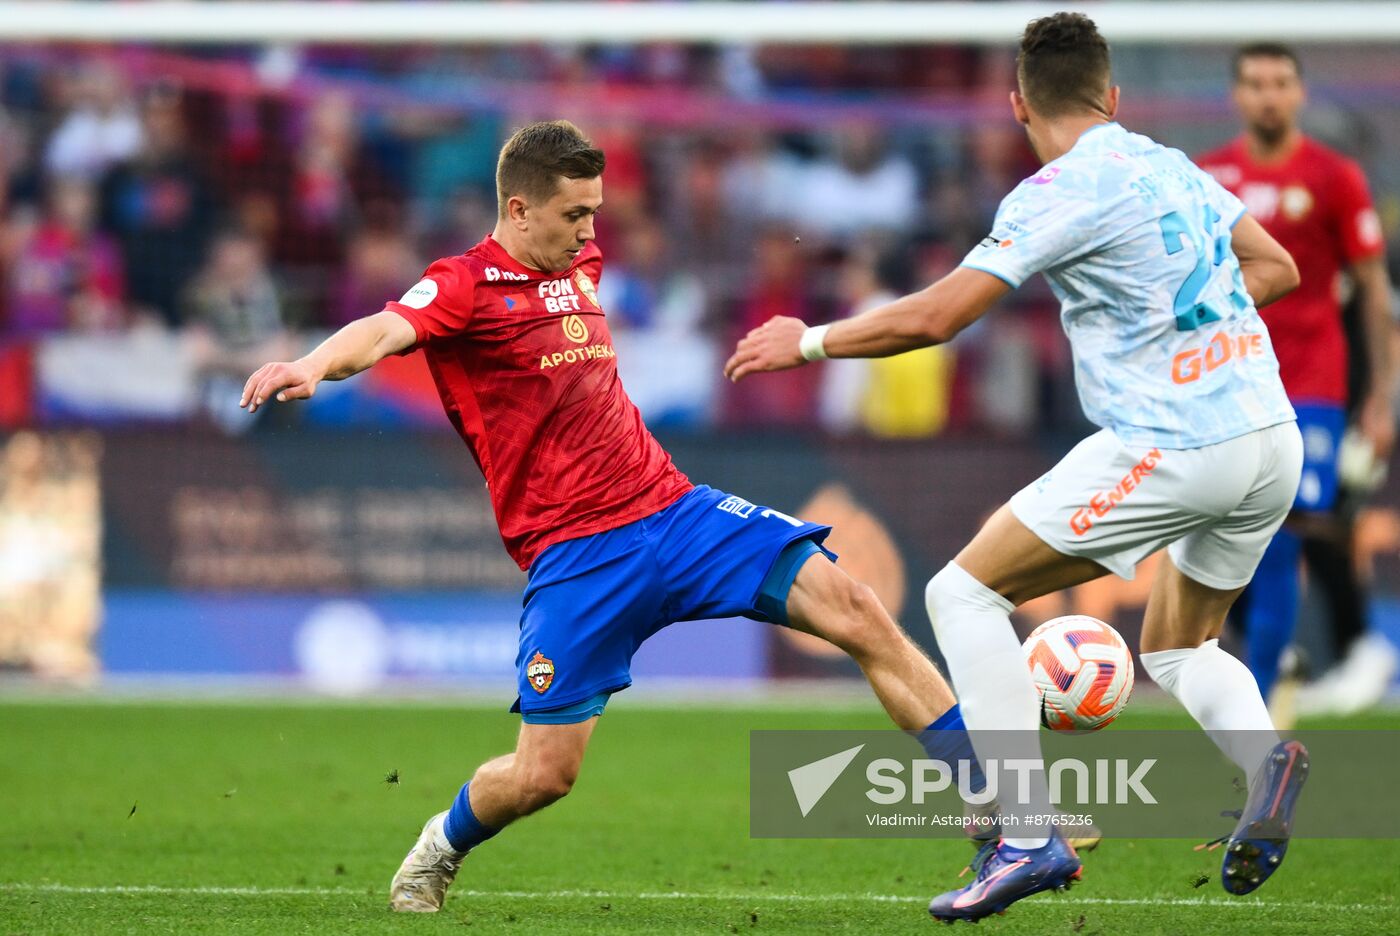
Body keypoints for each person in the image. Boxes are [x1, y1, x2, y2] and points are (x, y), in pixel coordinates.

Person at [240, 120, 970, 915]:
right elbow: (384, 329)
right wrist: (311, 364)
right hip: (579, 559)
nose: (591, 231)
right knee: (544, 776)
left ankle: (1001, 808)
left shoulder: (580, 259)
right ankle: (441, 843)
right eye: (573, 214)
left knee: (856, 607)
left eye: (594, 212)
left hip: (675, 510)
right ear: (518, 210)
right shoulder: (463, 285)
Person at [727, 13, 1309, 921]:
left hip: (1174, 440)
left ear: (1017, 106)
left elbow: (936, 318)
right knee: (1177, 642)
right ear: (1113, 97)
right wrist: (1191, 325)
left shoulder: (1054, 191)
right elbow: (1272, 267)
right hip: (1269, 435)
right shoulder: (1168, 162)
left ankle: (1027, 835)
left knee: (963, 595)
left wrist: (808, 340)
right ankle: (1267, 759)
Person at [1197, 44, 1397, 710]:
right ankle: (1265, 659)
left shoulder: (1334, 177)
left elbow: (1372, 289)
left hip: (1311, 383)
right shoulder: (1208, 175)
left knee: (1284, 529)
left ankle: (1260, 695)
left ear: (1299, 93)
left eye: (1280, 83)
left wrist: (1381, 394)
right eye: (1254, 83)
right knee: (1227, 531)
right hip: (1228, 382)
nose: (1268, 96)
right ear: (1237, 95)